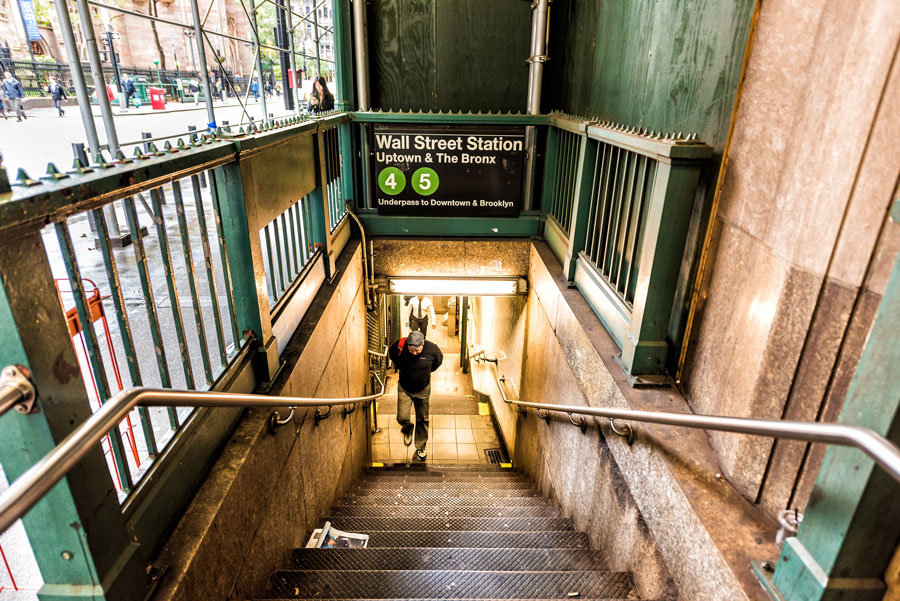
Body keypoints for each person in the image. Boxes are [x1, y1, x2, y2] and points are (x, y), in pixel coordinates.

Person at [389, 330, 443, 461]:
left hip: (423, 389)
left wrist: (424, 372)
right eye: (411, 349)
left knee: (422, 419)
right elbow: (392, 356)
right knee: (402, 417)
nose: (413, 353)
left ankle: (421, 446)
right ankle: (408, 428)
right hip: (404, 388)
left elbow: (437, 362)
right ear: (407, 344)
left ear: (423, 343)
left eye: (417, 350)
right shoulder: (399, 346)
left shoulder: (432, 349)